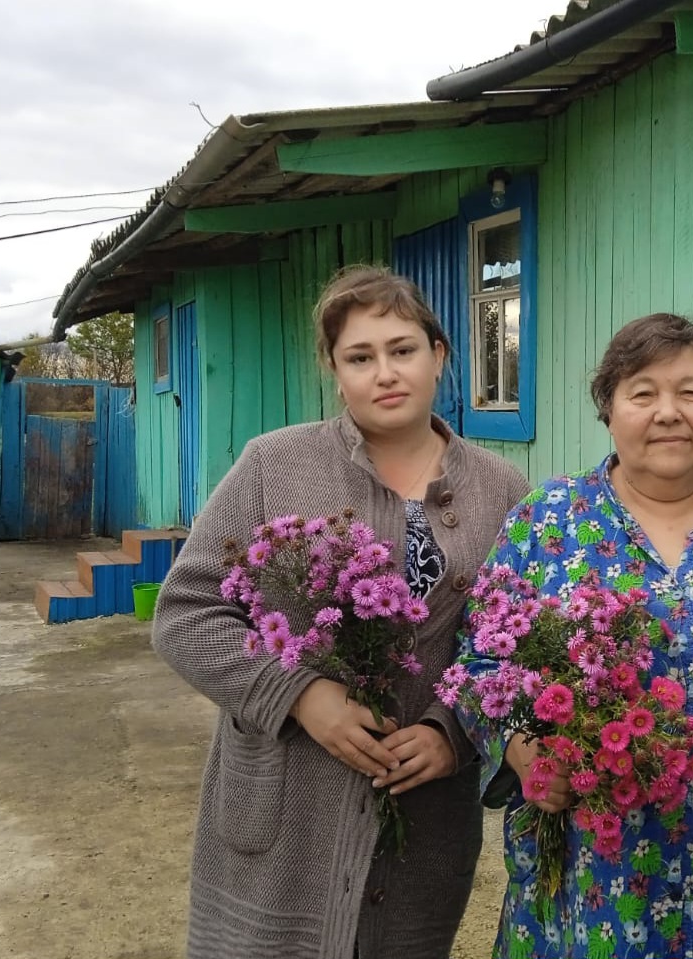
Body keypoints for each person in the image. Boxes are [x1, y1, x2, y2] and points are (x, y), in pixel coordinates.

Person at [152, 265, 529, 959]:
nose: (385, 372)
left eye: (403, 349)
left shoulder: (504, 490)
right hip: (285, 819)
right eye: (360, 356)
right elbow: (185, 612)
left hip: (421, 829)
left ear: (440, 354)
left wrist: (454, 731)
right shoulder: (274, 465)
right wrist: (298, 694)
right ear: (335, 368)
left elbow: (512, 650)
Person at [454, 313, 693, 959]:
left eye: (691, 391)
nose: (669, 412)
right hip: (589, 861)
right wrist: (521, 750)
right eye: (642, 392)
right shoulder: (547, 519)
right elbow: (479, 660)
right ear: (608, 408)